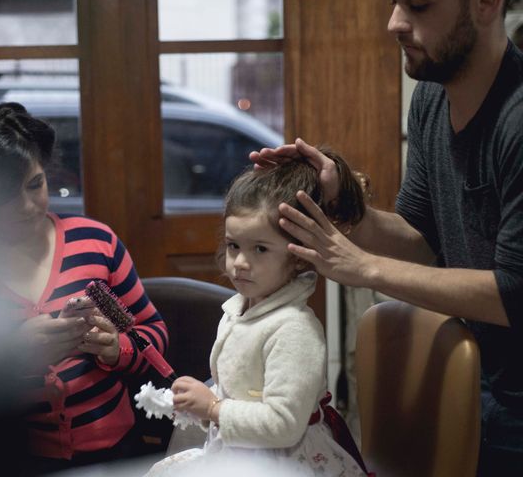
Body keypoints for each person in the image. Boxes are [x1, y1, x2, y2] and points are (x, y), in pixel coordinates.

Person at [250, 0, 523, 474]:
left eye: (418, 5)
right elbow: (420, 237)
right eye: (395, 2)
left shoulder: (516, 120)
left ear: (486, 2)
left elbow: (514, 292)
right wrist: (342, 205)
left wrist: (363, 267)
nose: (394, 22)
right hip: (479, 379)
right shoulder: (432, 99)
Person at [0, 102, 168, 474]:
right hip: (13, 461)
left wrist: (115, 348)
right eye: (2, 196)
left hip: (119, 452)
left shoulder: (95, 242)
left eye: (35, 184)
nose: (26, 206)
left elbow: (152, 333)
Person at [146, 155, 371, 476]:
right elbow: (240, 386)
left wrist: (213, 408)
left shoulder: (294, 330)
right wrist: (203, 399)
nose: (239, 262)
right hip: (239, 450)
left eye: (260, 249)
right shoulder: (238, 310)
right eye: (234, 246)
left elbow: (284, 424)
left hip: (285, 460)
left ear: (298, 257)